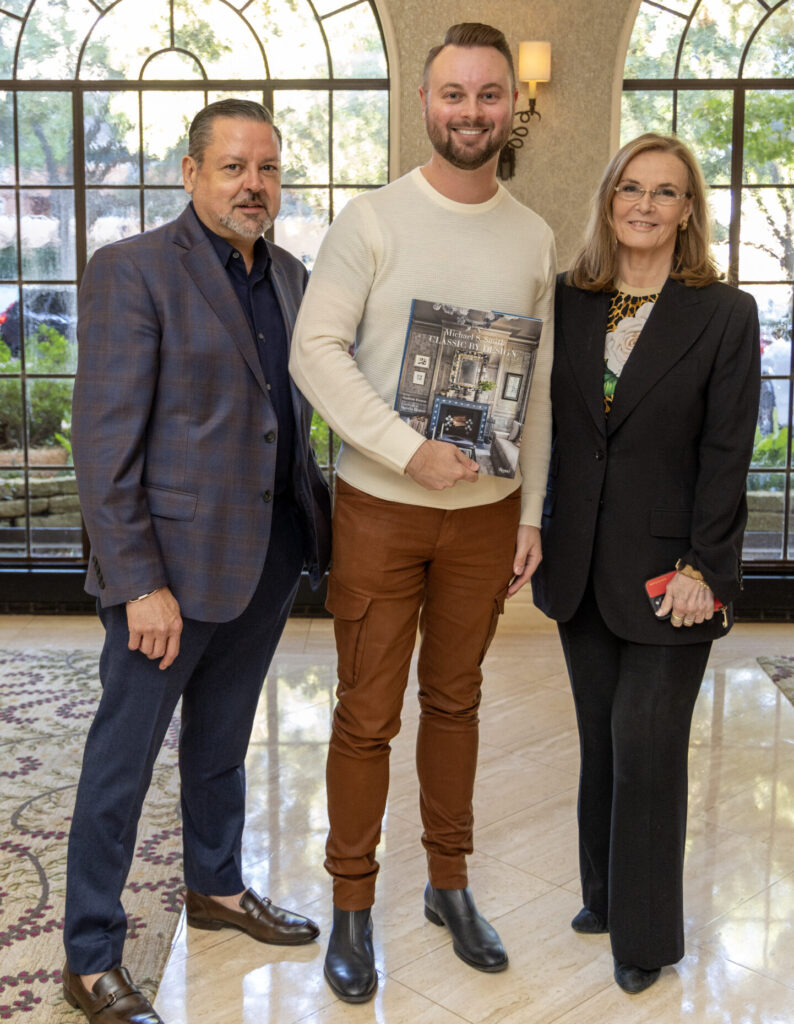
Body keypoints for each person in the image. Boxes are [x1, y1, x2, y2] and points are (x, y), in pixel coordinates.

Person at [289, 23, 555, 1004]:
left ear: (510, 107)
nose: (471, 112)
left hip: (486, 517)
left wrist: (529, 508)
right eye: (454, 93)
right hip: (381, 509)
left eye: (489, 95)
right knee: (366, 714)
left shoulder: (532, 236)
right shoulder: (371, 220)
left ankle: (449, 884)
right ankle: (352, 903)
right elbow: (314, 352)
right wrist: (408, 450)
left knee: (456, 703)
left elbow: (539, 386)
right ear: (425, 103)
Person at [62, 99, 331, 1024]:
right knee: (123, 763)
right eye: (233, 167)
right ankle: (90, 953)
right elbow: (102, 446)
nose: (254, 184)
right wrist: (139, 581)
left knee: (222, 743)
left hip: (267, 559)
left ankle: (216, 886)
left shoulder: (290, 275)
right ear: (190, 173)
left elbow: (286, 417)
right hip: (167, 577)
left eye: (268, 168)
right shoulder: (133, 270)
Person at [531, 132, 760, 994]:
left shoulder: (724, 312)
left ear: (688, 210)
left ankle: (647, 936)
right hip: (582, 563)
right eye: (631, 187)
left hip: (676, 577)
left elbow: (727, 450)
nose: (645, 205)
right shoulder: (568, 299)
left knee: (648, 748)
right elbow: (549, 427)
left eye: (666, 192)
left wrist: (708, 566)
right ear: (609, 198)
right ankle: (602, 895)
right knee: (601, 740)